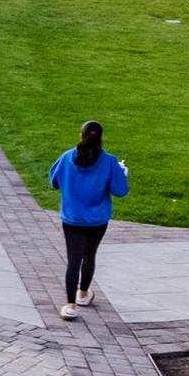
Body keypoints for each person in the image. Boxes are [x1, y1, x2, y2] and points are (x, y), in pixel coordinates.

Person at [48, 120, 130, 320]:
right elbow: (120, 190)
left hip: (73, 218)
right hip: (97, 220)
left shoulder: (67, 158)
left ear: (81, 134)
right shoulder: (109, 161)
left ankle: (70, 305)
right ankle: (83, 293)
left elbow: (54, 182)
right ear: (101, 137)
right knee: (89, 256)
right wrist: (122, 173)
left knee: (73, 261)